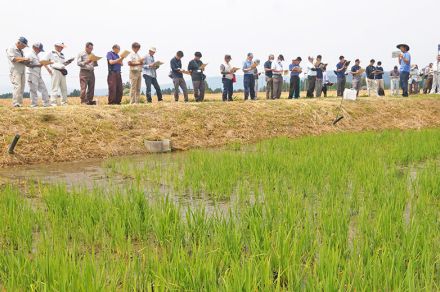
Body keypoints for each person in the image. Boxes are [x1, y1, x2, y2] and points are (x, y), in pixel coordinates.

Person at [6, 37, 30, 107]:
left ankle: (20, 103)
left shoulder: (21, 51)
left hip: (22, 70)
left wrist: (27, 61)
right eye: (23, 46)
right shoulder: (11, 48)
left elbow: (21, 60)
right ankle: (15, 103)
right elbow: (13, 59)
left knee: (22, 86)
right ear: (19, 43)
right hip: (15, 70)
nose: (24, 47)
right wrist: (24, 58)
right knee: (17, 86)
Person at [26, 42, 50, 107]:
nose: (40, 51)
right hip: (31, 74)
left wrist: (43, 63)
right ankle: (34, 105)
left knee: (44, 89)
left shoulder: (36, 55)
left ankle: (46, 104)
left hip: (38, 74)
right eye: (39, 49)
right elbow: (27, 64)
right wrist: (38, 65)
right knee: (33, 90)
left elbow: (38, 64)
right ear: (35, 47)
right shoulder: (29, 54)